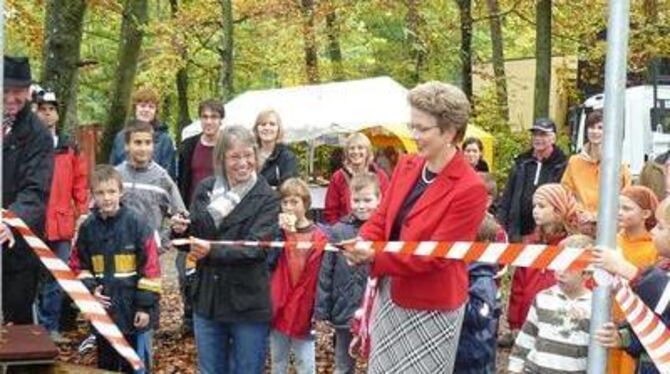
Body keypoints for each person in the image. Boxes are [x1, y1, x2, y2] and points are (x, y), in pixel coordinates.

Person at [342, 81, 488, 373]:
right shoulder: (407, 165)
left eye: (422, 129)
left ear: (449, 132)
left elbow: (437, 255)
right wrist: (364, 241)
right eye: (412, 126)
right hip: (390, 295)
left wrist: (374, 257)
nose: (414, 135)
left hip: (431, 306)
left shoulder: (471, 188)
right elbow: (382, 218)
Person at [176, 126, 280, 374]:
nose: (243, 163)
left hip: (248, 303)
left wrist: (211, 251)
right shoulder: (206, 188)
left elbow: (256, 249)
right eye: (235, 157)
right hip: (208, 301)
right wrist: (181, 230)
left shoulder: (267, 197)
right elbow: (198, 230)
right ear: (222, 158)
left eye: (248, 155)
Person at [70, 165, 161, 373]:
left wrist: (145, 307)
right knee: (106, 364)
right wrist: (91, 289)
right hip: (104, 311)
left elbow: (151, 268)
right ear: (92, 195)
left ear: (121, 192)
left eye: (111, 192)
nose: (107, 198)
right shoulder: (88, 228)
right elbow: (78, 265)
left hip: (133, 311)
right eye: (100, 193)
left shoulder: (137, 223)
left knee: (134, 364)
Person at [1, 56, 54, 324]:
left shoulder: (38, 135)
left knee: (17, 325)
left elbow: (36, 191)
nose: (11, 97)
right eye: (5, 90)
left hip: (18, 247)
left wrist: (10, 221)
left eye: (17, 91)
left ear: (29, 92)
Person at [314, 173, 381, 374]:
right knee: (344, 365)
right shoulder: (338, 231)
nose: (361, 205)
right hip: (345, 310)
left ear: (379, 199)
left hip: (374, 311)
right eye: (357, 200)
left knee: (376, 363)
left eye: (367, 200)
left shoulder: (386, 232)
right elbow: (326, 274)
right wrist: (322, 311)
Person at [35, 91, 89, 342]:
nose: (46, 113)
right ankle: (30, 328)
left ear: (57, 113)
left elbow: (80, 182)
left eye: (51, 108)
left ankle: (51, 327)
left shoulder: (69, 147)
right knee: (31, 277)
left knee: (58, 277)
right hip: (32, 223)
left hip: (61, 222)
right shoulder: (25, 144)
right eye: (41, 108)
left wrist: (81, 211)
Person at [594, 195, 670, 373]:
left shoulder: (660, 276)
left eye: (660, 227)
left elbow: (665, 295)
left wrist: (625, 269)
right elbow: (657, 322)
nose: (653, 232)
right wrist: (624, 337)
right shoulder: (663, 267)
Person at [508, 234, 594, 373]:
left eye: (568, 268)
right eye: (558, 265)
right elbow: (527, 335)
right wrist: (515, 367)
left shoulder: (594, 306)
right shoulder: (543, 298)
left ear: (587, 274)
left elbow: (596, 352)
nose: (560, 273)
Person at [506, 184, 578, 344]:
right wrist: (514, 321)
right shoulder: (531, 244)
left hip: (560, 324)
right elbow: (518, 284)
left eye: (542, 206)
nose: (535, 210)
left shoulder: (572, 247)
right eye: (534, 206)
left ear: (558, 209)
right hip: (529, 319)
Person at [268, 178, 327, 374]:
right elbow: (268, 263)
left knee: (305, 363)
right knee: (278, 360)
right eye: (285, 202)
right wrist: (278, 234)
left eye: (294, 202)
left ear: (306, 203)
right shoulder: (278, 234)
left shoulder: (318, 235)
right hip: (280, 304)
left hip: (304, 306)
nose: (289, 207)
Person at [177, 99, 224, 335]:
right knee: (185, 268)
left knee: (214, 265)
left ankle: (212, 315)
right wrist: (181, 212)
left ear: (221, 120)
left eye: (214, 117)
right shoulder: (188, 146)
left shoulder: (228, 145)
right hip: (192, 215)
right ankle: (189, 316)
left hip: (221, 216)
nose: (209, 122)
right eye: (205, 117)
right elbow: (181, 181)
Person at [608, 186, 659, 373]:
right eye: (618, 207)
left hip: (637, 324)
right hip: (612, 319)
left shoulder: (654, 248)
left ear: (646, 213)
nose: (620, 212)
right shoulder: (611, 241)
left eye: (627, 209)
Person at [497, 118, 568, 242]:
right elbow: (506, 200)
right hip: (517, 234)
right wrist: (501, 227)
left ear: (553, 138)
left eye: (543, 134)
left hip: (548, 235)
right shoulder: (521, 164)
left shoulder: (562, 165)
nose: (538, 138)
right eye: (535, 134)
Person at [561, 110, 631, 232]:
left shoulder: (619, 165)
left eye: (600, 128)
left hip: (610, 228)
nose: (595, 131)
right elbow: (566, 192)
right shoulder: (574, 162)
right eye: (591, 127)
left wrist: (596, 216)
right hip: (581, 225)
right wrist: (581, 213)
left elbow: (626, 196)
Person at [454, 214, 500, 374]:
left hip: (474, 356)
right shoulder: (464, 271)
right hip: (460, 352)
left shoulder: (482, 279)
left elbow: (479, 317)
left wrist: (457, 299)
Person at [109, 87, 177, 179]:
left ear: (155, 111)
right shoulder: (121, 137)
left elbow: (169, 175)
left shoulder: (164, 140)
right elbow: (113, 169)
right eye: (142, 105)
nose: (146, 110)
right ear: (135, 108)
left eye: (151, 107)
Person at [323, 132, 389, 224]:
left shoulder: (380, 176)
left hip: (374, 228)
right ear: (347, 152)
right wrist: (339, 231)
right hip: (346, 230)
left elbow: (387, 205)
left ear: (368, 151)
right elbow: (331, 211)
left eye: (360, 148)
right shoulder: (338, 177)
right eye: (352, 148)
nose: (356, 152)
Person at [253, 109, 299, 188]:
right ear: (257, 129)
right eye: (263, 124)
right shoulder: (249, 154)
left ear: (278, 129)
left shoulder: (287, 158)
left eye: (272, 124)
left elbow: (289, 190)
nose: (267, 128)